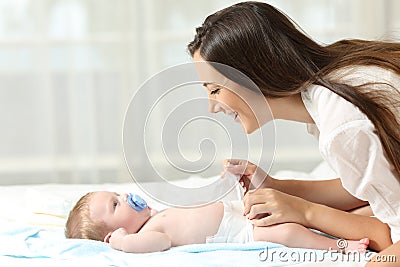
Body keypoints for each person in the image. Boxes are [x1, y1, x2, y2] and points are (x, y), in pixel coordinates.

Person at [187, 1, 400, 265]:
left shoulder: (342, 122)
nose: (212, 107)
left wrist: (307, 213)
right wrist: (278, 189)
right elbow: (375, 185)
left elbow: (394, 235)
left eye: (214, 89)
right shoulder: (335, 83)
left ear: (252, 74)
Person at [65, 190, 371, 253]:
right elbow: (160, 243)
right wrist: (121, 242)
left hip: (240, 213)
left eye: (117, 193)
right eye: (116, 203)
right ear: (114, 231)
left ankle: (357, 217)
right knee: (291, 231)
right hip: (242, 233)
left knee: (290, 205)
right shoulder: (151, 231)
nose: (126, 195)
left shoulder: (155, 215)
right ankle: (341, 247)